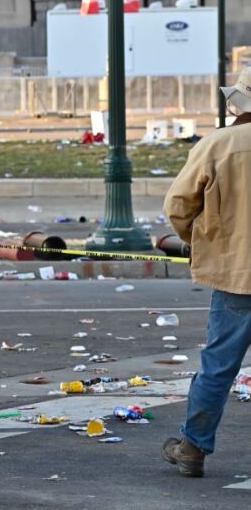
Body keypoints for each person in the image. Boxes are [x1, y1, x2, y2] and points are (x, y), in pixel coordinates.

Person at [162, 66, 251, 478]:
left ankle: (193, 448)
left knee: (218, 367)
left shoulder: (219, 145)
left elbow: (178, 205)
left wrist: (200, 241)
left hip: (237, 276)